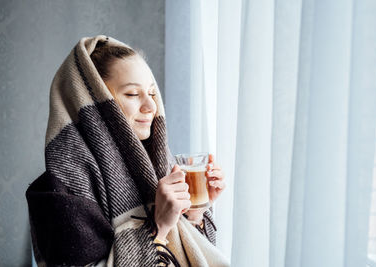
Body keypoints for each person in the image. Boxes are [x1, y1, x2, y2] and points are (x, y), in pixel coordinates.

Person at [26, 35, 229, 267]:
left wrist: (194, 211)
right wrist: (157, 228)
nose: (151, 106)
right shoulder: (58, 190)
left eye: (152, 93)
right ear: (97, 105)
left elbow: (196, 255)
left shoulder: (159, 167)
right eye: (133, 94)